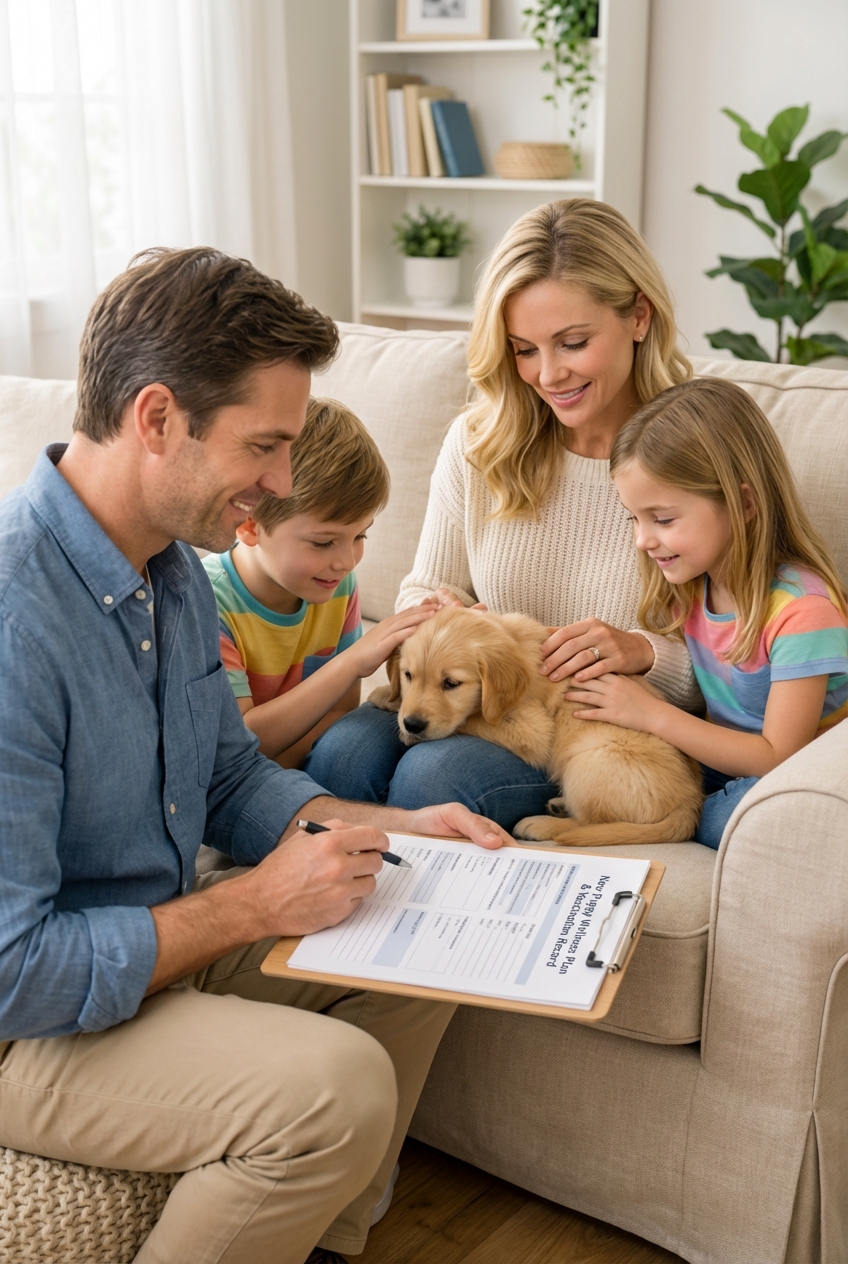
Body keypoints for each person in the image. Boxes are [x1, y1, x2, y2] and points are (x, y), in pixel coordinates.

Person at [0, 247, 510, 1264]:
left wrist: (401, 830)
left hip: (146, 947)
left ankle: (312, 1241)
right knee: (337, 1086)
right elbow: (15, 973)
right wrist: (247, 906)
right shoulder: (19, 620)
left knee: (425, 928)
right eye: (263, 447)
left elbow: (228, 774)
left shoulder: (171, 570)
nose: (278, 484)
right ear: (156, 419)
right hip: (33, 1029)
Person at [306, 198, 703, 829]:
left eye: (573, 342)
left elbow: (744, 662)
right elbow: (421, 591)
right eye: (523, 350)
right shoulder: (478, 443)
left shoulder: (695, 454)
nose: (548, 375)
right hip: (475, 693)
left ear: (638, 316)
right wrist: (446, 615)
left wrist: (642, 653)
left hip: (588, 733)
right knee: (339, 760)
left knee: (429, 779)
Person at [563, 376, 848, 848]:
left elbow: (780, 756)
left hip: (787, 780)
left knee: (735, 817)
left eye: (664, 519)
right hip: (720, 766)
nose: (643, 539)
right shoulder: (695, 585)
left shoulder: (804, 613)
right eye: (634, 517)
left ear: (743, 502)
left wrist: (651, 715)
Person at [203, 396, 437, 768]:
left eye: (361, 536)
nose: (346, 561)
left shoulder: (337, 587)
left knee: (353, 753)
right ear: (249, 525)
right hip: (231, 783)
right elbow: (238, 744)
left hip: (289, 766)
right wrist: (349, 664)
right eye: (323, 542)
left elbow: (339, 718)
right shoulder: (207, 603)